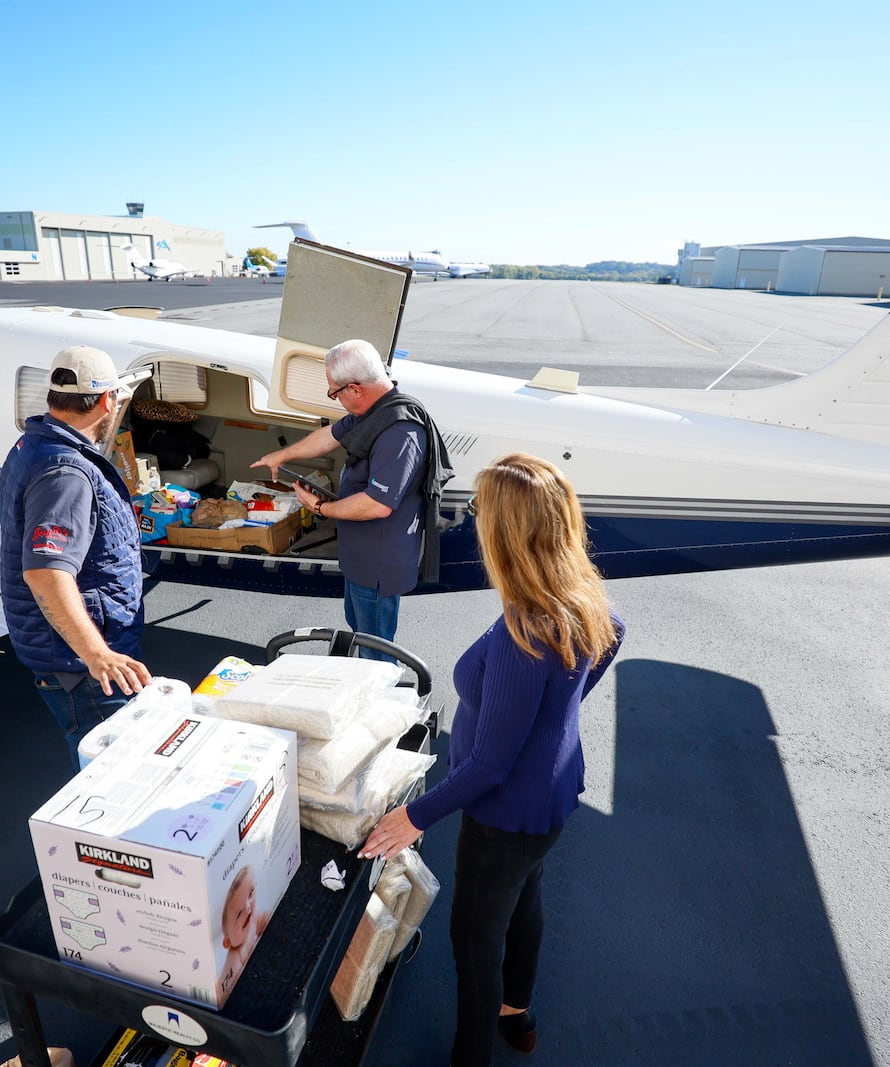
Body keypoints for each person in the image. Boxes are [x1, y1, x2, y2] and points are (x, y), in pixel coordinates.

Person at [360, 453, 625, 1067]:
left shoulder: (522, 636)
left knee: (474, 943)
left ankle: (470, 1057)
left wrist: (413, 817)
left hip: (503, 814)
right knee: (526, 899)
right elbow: (615, 632)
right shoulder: (579, 596)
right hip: (554, 795)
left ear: (506, 531)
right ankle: (518, 1014)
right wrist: (557, 712)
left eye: (480, 511)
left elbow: (488, 768)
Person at [0, 344, 152, 772]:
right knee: (110, 771)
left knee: (95, 756)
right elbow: (46, 573)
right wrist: (96, 656)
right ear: (106, 401)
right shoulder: (66, 471)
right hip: (83, 669)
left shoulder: (33, 444)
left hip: (73, 657)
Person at [253, 339, 451, 657]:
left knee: (375, 649)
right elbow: (329, 436)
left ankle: (379, 700)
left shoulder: (399, 432)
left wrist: (319, 507)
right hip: (362, 559)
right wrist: (282, 455)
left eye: (334, 392)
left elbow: (377, 503)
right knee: (361, 632)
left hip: (377, 564)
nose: (335, 398)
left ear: (355, 389)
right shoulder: (374, 413)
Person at [218, 864, 270, 999]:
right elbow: (224, 991)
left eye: (250, 894)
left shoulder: (252, 920)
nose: (248, 909)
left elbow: (265, 918)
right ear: (227, 942)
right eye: (239, 913)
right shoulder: (233, 959)